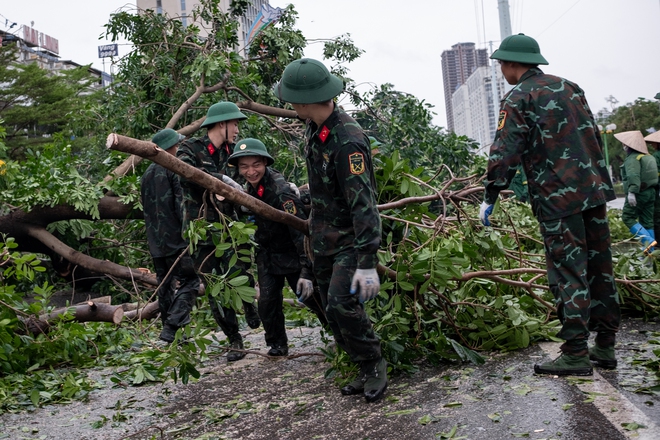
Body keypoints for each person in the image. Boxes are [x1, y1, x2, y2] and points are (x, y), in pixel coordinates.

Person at [479, 34, 620, 375]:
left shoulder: (518, 97)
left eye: (501, 64)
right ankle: (605, 346)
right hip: (594, 191)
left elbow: (505, 150)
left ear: (512, 64)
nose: (501, 70)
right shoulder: (570, 87)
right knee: (600, 266)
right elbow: (592, 133)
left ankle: (575, 353)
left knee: (569, 272)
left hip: (559, 199)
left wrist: (491, 193)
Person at [274, 58, 387, 403]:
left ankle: (374, 364)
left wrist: (367, 260)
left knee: (341, 304)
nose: (289, 105)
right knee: (326, 305)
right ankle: (359, 366)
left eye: (292, 99)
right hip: (322, 238)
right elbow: (326, 189)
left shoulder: (348, 140)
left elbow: (363, 204)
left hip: (350, 241)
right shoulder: (314, 130)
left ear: (307, 100)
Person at [176, 102, 260, 362]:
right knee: (215, 286)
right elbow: (185, 175)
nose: (237, 129)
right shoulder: (190, 149)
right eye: (234, 124)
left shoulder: (234, 153)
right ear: (222, 123)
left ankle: (249, 305)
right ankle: (234, 338)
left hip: (231, 226)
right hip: (201, 230)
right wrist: (220, 182)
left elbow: (248, 178)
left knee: (241, 270)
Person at [228, 138, 328, 356]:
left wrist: (306, 269)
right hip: (267, 254)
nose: (250, 171)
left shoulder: (282, 191)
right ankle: (277, 344)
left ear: (265, 163)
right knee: (267, 302)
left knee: (311, 298)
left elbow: (300, 231)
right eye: (244, 166)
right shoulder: (248, 190)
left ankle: (338, 331)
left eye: (255, 165)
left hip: (292, 255)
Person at [141, 128, 201, 343]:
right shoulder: (173, 169)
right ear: (171, 148)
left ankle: (172, 337)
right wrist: (190, 236)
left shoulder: (146, 175)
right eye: (177, 145)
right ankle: (172, 326)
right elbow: (181, 206)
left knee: (165, 286)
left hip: (155, 242)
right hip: (176, 240)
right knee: (191, 281)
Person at [615, 130, 658, 252]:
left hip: (639, 193)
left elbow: (633, 175)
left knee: (627, 217)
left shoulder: (633, 158)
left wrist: (632, 192)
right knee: (647, 221)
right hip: (651, 193)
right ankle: (651, 252)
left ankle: (648, 241)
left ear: (629, 146)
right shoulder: (648, 156)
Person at [644, 130, 660, 241]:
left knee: (657, 216)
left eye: (653, 143)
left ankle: (657, 243)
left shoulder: (656, 156)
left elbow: (655, 175)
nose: (651, 145)